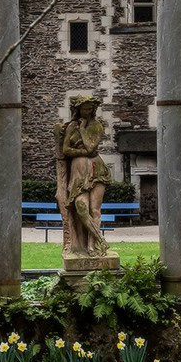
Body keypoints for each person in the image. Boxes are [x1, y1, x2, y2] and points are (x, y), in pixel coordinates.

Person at [55, 96, 111, 256]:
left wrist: (83, 130)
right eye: (84, 108)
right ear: (78, 109)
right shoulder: (72, 126)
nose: (88, 111)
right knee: (80, 206)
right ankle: (101, 240)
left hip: (96, 169)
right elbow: (66, 150)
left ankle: (92, 247)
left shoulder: (97, 126)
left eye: (90, 108)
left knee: (95, 210)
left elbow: (92, 147)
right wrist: (84, 152)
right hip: (78, 170)